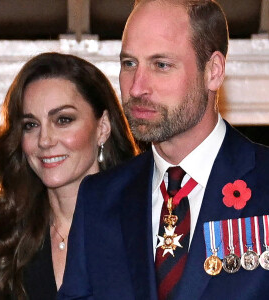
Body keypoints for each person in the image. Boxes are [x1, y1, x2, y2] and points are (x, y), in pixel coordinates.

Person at [58, 1, 269, 300]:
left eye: (161, 65)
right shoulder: (99, 200)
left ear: (213, 71)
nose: (136, 88)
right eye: (129, 64)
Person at [0, 52, 139, 300]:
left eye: (63, 120)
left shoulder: (144, 223)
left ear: (102, 127)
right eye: (30, 125)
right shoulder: (11, 235)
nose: (45, 140)